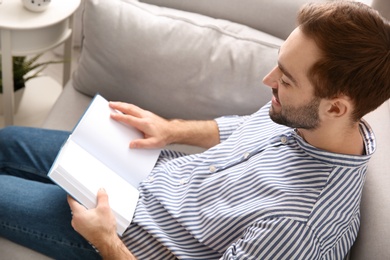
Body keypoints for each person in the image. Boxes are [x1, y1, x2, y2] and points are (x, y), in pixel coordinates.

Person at [0, 1, 389, 259]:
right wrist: (169, 129)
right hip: (145, 170)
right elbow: (243, 129)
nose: (268, 80)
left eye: (286, 80)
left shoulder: (300, 228)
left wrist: (103, 238)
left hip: (124, 233)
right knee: (7, 140)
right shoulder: (307, 117)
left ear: (336, 107)